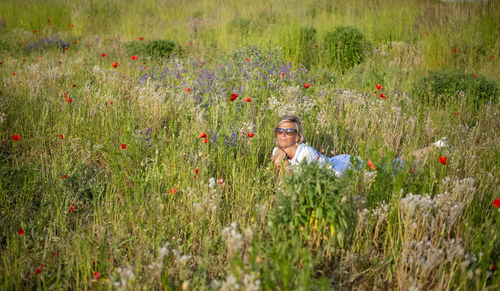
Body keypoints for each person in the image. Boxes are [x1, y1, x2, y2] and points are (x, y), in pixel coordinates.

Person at [271, 115, 445, 178]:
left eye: (289, 131)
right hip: (336, 163)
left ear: (298, 137)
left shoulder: (305, 153)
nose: (284, 134)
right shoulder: (276, 151)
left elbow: (290, 184)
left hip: (347, 168)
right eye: (280, 130)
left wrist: (283, 164)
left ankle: (437, 148)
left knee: (393, 168)